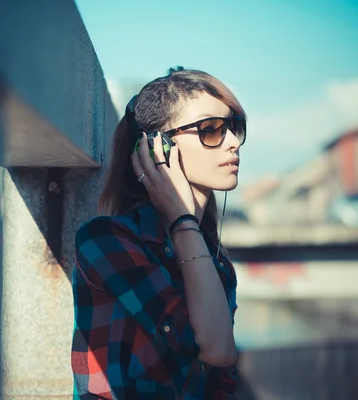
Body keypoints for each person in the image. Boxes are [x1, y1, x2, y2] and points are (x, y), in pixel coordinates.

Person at [71, 66, 247, 399]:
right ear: (157, 148)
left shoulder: (218, 265)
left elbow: (221, 381)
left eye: (235, 128)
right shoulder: (105, 241)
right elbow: (214, 349)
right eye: (212, 130)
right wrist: (182, 218)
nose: (233, 143)